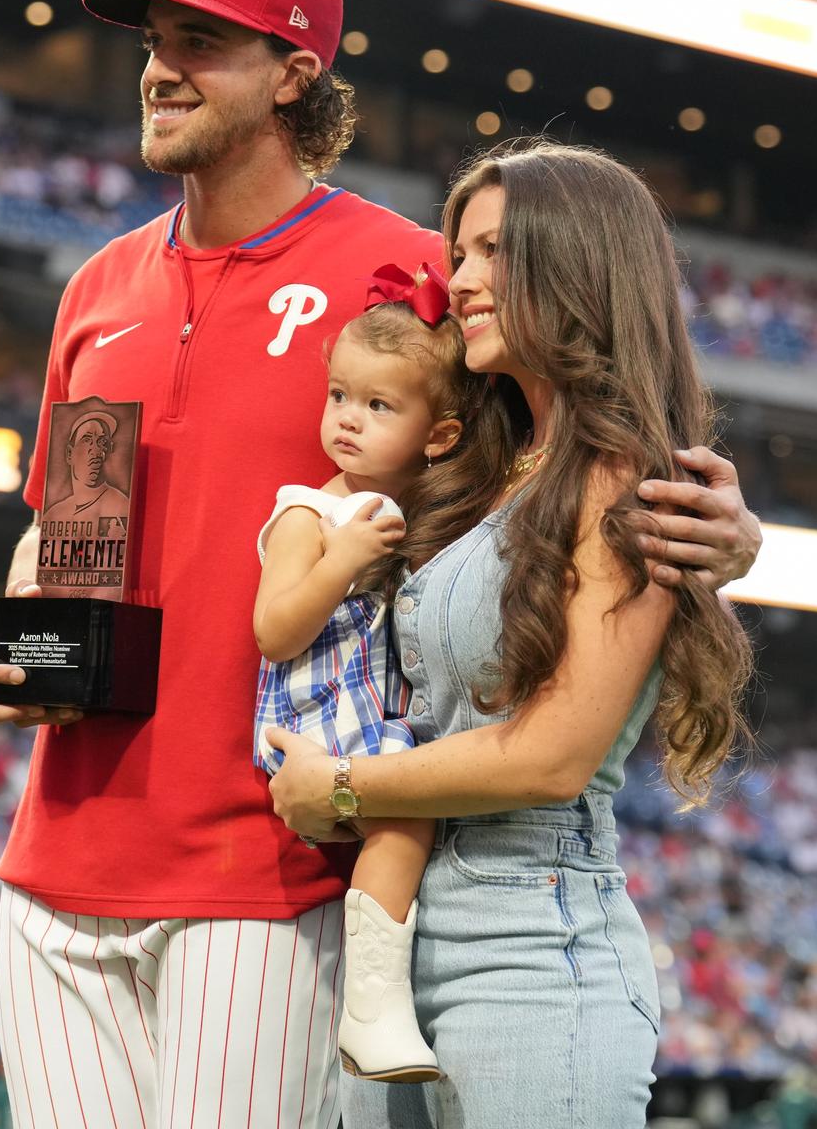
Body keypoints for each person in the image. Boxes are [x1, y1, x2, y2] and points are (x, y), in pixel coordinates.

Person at [0, 0, 762, 1126]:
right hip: (56, 854)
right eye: (154, 40)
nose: (160, 67)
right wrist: (25, 628)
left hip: (272, 860)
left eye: (201, 41)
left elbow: (572, 444)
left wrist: (727, 535)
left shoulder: (416, 278)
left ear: (295, 73)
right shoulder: (97, 286)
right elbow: (54, 525)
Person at [264, 140, 757, 1126]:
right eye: (460, 252)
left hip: (534, 950)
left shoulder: (628, 478)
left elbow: (551, 756)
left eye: (493, 250)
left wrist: (343, 785)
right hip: (402, 944)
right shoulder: (490, 467)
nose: (461, 277)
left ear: (577, 263)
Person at [250, 265, 472, 1083]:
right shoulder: (309, 511)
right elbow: (274, 632)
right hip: (317, 715)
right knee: (405, 817)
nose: (347, 417)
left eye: (379, 406)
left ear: (438, 435)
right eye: (340, 395)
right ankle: (373, 1007)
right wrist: (341, 559)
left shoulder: (438, 512)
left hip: (386, 711)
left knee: (415, 818)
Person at [42, 412, 131, 523]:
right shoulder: (55, 513)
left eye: (102, 442)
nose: (96, 451)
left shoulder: (121, 506)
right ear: (69, 453)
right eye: (87, 440)